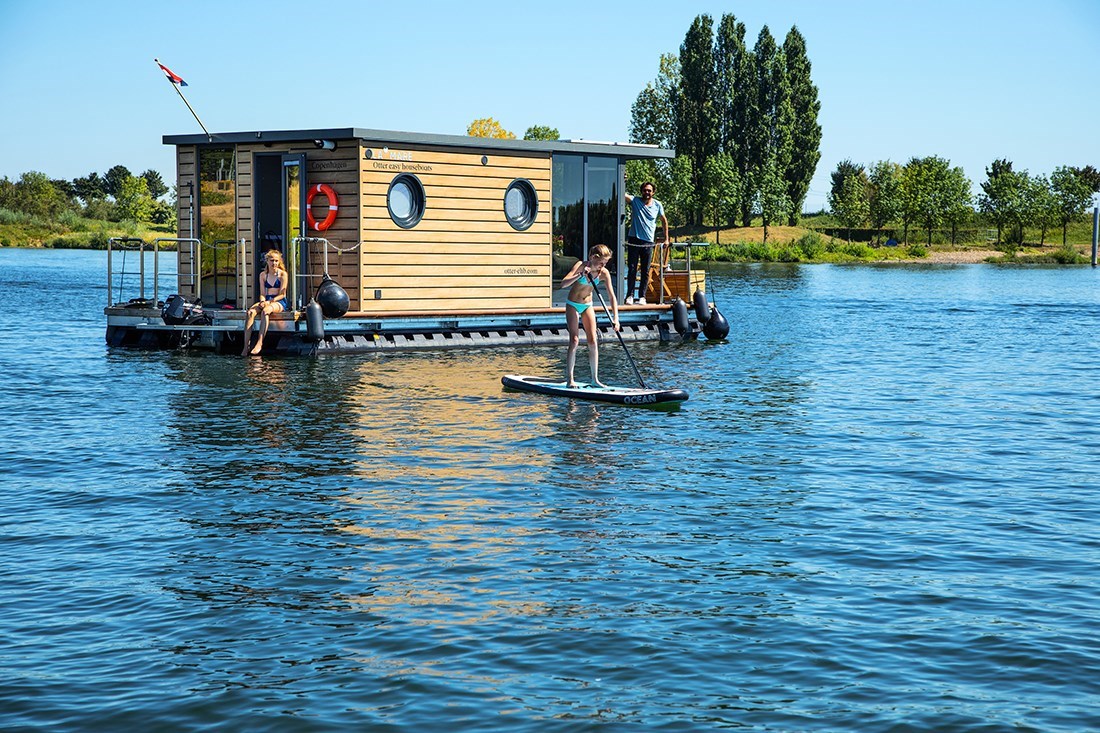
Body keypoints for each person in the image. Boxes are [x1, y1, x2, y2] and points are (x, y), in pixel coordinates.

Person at [560, 244, 620, 387]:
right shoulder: (581, 265)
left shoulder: (604, 273)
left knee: (593, 340)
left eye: (605, 263)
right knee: (574, 340)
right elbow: (563, 284)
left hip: (587, 305)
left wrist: (616, 318)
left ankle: (595, 380)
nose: (602, 266)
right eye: (601, 263)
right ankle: (570, 379)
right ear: (593, 258)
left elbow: (612, 297)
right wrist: (579, 275)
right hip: (573, 304)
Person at [623, 181, 669, 305]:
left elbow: (664, 221)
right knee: (632, 268)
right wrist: (623, 180)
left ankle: (642, 296)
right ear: (641, 191)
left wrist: (666, 239)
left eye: (649, 190)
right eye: (645, 190)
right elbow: (622, 194)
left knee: (645, 270)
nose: (647, 192)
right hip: (634, 239)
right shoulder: (635, 201)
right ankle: (630, 296)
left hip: (648, 242)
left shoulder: (658, 205)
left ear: (653, 192)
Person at [242, 249, 289, 356]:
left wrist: (269, 302)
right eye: (272, 260)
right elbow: (262, 293)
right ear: (267, 261)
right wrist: (263, 301)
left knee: (266, 311)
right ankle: (246, 346)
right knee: (250, 312)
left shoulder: (283, 274)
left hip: (278, 301)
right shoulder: (263, 275)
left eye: (276, 261)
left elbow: (282, 294)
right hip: (267, 299)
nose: (274, 263)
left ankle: (260, 342)